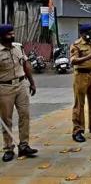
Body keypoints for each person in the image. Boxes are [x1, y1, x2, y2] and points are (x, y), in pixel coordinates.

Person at [0, 24, 38, 162]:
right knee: (6, 119)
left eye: (12, 33)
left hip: (21, 84)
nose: (12, 35)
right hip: (4, 87)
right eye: (9, 34)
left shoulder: (18, 47)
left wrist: (32, 82)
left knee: (25, 115)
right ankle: (8, 148)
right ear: (2, 36)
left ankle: (24, 145)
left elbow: (25, 65)